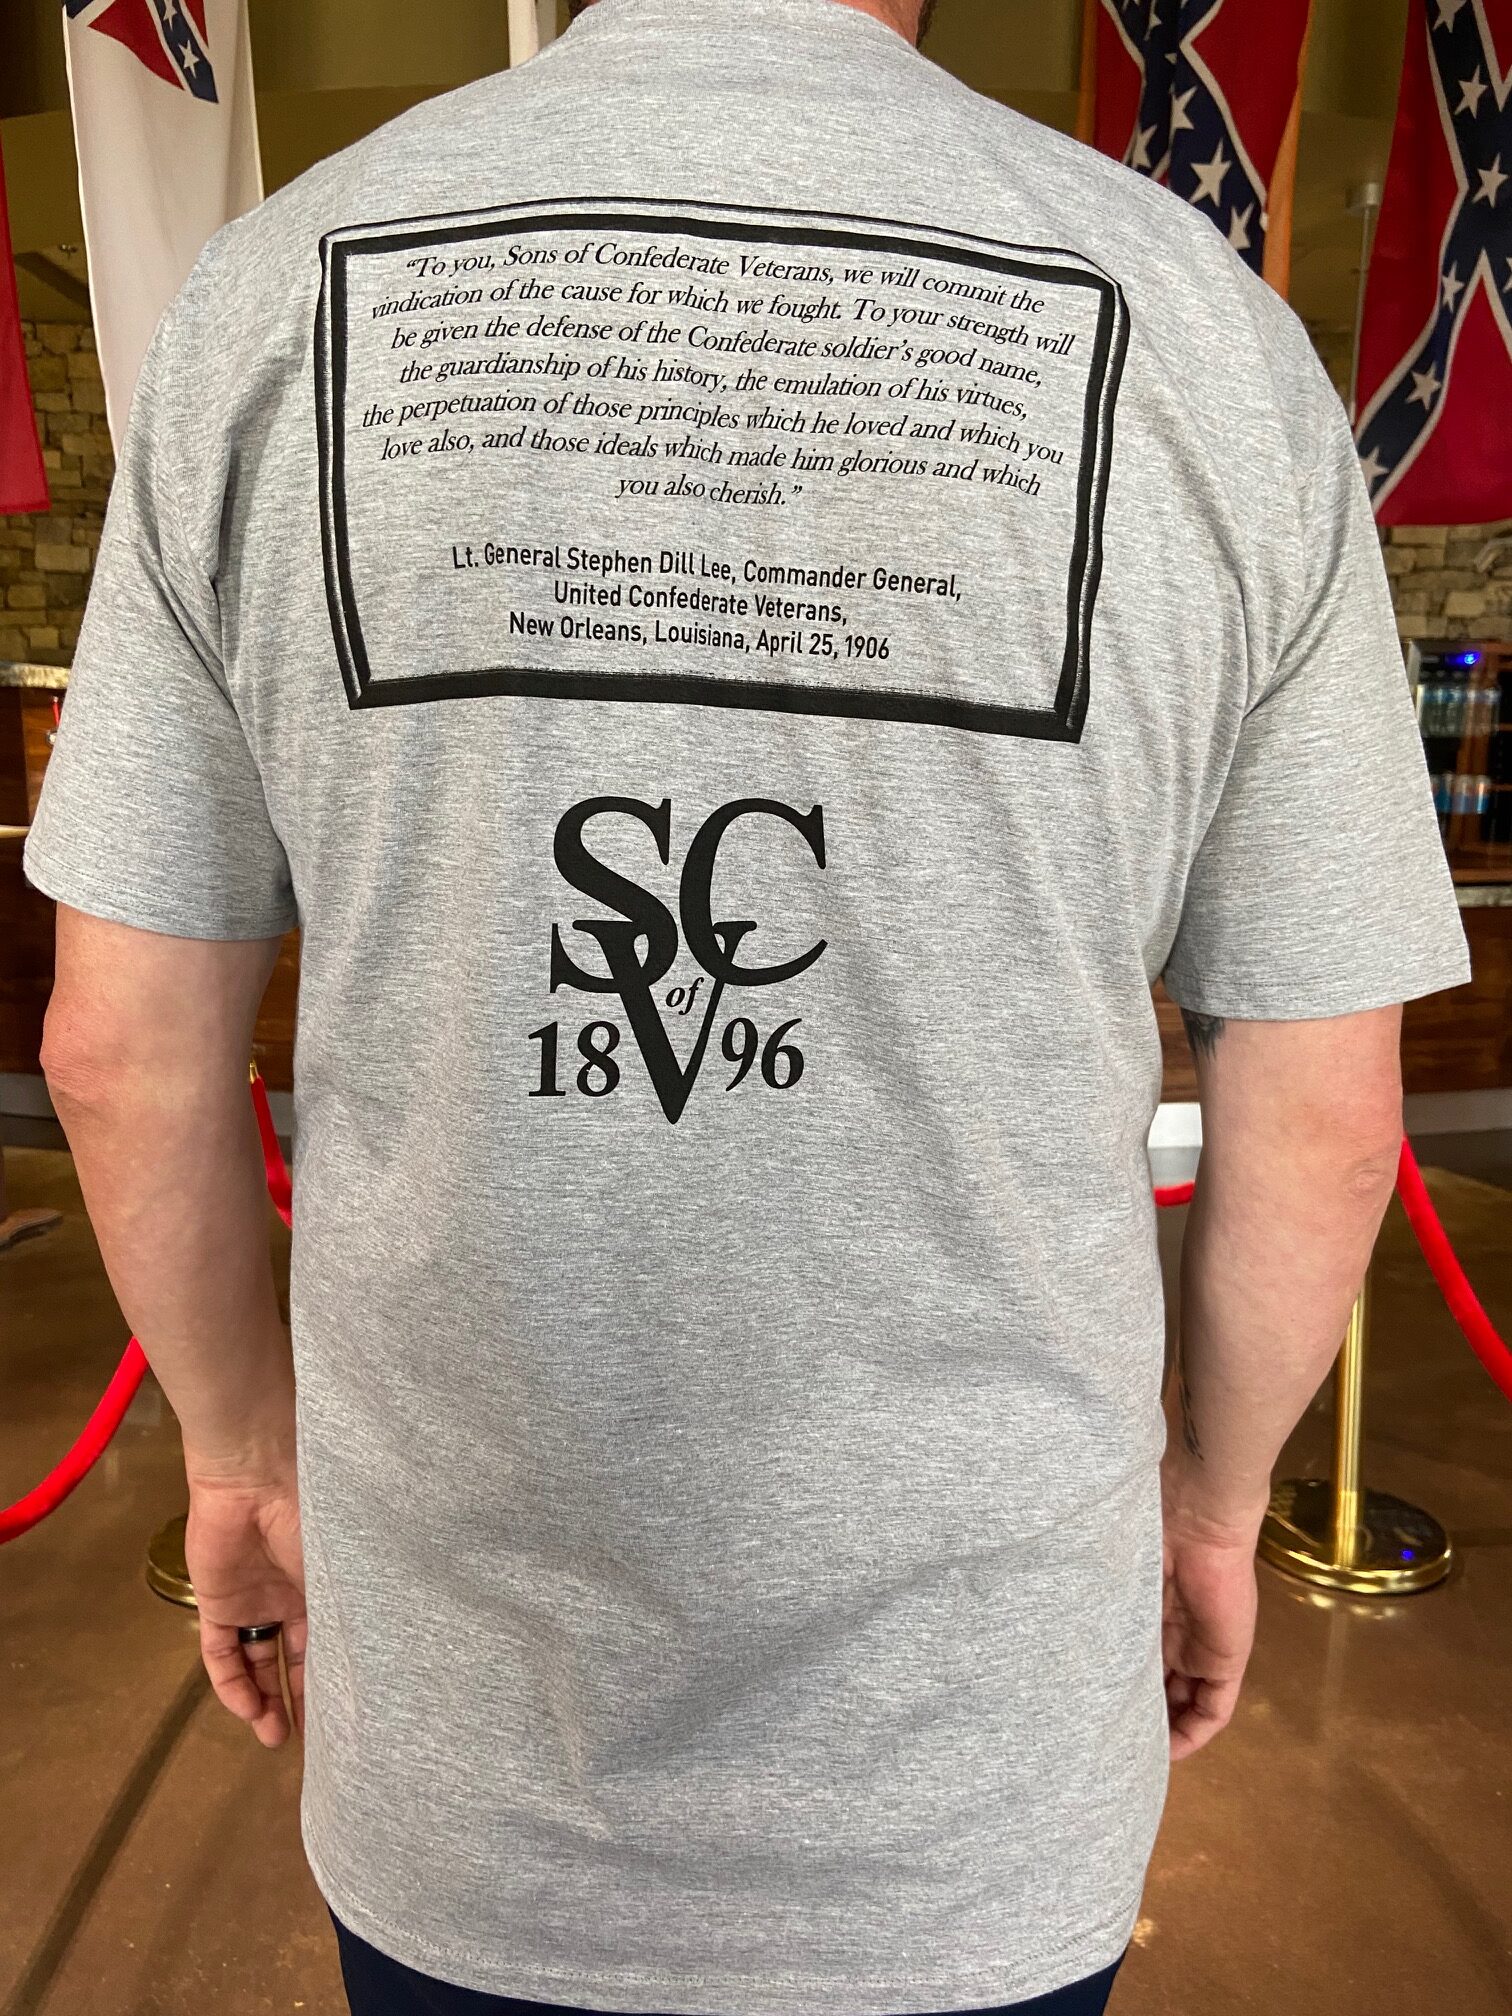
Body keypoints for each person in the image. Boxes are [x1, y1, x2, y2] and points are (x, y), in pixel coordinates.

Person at [26, 0, 1468, 2011]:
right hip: (975, 1773)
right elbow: (1324, 1104)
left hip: (465, 1768)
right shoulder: (1212, 342)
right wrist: (1216, 1509)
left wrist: (246, 1465)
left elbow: (116, 1050)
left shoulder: (271, 299)